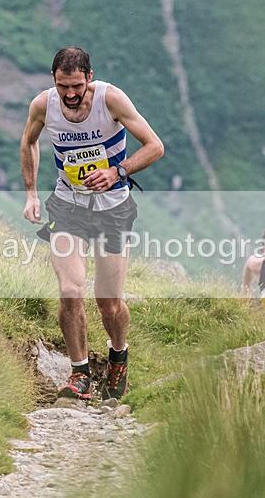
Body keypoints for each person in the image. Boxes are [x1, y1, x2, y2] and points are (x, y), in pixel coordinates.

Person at [20, 47, 164, 401]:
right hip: (68, 206)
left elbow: (155, 146)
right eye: (62, 86)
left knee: (108, 303)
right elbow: (29, 142)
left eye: (76, 86)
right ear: (54, 80)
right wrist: (31, 194)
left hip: (113, 208)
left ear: (89, 77)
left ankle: (118, 356)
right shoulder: (43, 105)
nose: (69, 94)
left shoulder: (110, 99)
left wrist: (117, 171)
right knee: (70, 289)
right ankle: (80, 373)